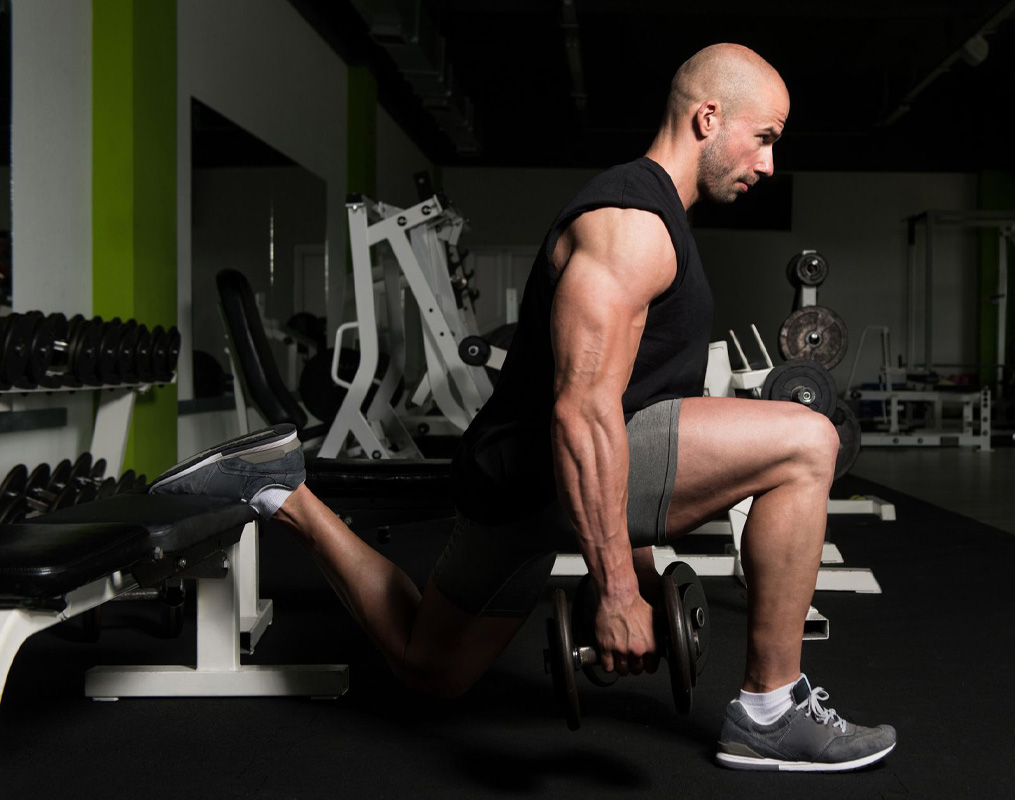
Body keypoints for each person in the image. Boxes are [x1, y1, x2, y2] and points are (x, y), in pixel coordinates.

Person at [152, 43, 895, 771]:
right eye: (764, 139)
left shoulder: (650, 215)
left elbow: (637, 407)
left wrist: (636, 571)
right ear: (708, 118)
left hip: (512, 479)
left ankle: (281, 490)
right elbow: (585, 414)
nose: (769, 163)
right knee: (807, 440)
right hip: (546, 465)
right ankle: (771, 709)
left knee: (427, 668)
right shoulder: (632, 226)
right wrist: (613, 591)